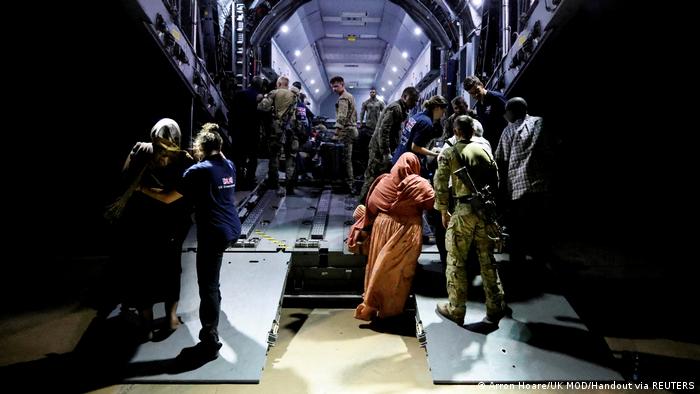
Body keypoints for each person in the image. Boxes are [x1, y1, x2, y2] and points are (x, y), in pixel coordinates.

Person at [141, 123, 241, 359]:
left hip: (213, 233)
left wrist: (143, 188)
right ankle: (215, 312)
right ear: (220, 146)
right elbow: (218, 152)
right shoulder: (229, 165)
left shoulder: (197, 170)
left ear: (199, 147)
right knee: (212, 282)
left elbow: (167, 197)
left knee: (207, 285)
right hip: (232, 228)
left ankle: (209, 337)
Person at [105, 118, 194, 339]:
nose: (164, 157)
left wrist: (144, 188)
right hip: (151, 223)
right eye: (160, 150)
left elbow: (170, 195)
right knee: (158, 269)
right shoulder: (150, 152)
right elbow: (127, 178)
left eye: (167, 152)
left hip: (163, 223)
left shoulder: (172, 157)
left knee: (157, 269)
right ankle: (159, 320)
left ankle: (158, 320)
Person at [434, 115, 508, 327]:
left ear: (456, 132)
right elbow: (496, 180)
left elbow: (440, 184)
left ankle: (456, 309)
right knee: (487, 260)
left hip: (463, 212)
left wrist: (442, 211)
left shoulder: (449, 151)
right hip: (485, 212)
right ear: (473, 131)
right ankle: (495, 307)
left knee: (456, 261)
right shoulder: (484, 150)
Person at [352, 152, 435, 321]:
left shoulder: (384, 181)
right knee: (398, 273)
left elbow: (372, 206)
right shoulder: (419, 184)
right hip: (406, 232)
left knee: (377, 266)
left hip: (382, 228)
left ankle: (370, 305)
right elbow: (431, 203)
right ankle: (389, 312)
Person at [495, 97, 553, 268]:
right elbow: (548, 150)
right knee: (539, 229)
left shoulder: (508, 131)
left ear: (512, 111)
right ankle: (540, 265)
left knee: (518, 231)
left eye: (507, 111)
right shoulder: (539, 122)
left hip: (517, 189)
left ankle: (518, 268)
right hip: (539, 185)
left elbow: (501, 159)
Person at [358, 86, 419, 202]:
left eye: (416, 101)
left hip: (384, 149)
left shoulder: (402, 109)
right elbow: (384, 131)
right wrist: (386, 153)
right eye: (412, 100)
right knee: (372, 179)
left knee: (380, 180)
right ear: (405, 97)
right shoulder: (395, 108)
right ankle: (361, 209)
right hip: (379, 150)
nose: (414, 104)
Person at [330, 75, 358, 193]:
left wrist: (336, 132)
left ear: (342, 84)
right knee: (348, 158)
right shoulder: (350, 96)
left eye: (336, 86)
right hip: (352, 129)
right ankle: (348, 182)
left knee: (346, 159)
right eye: (332, 87)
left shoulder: (343, 98)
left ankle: (349, 185)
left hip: (347, 131)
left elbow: (341, 116)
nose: (334, 89)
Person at [463, 76, 507, 149]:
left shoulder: (496, 98)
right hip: (489, 145)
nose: (475, 95)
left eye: (477, 90)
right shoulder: (479, 105)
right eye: (472, 93)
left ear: (482, 85)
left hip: (502, 143)